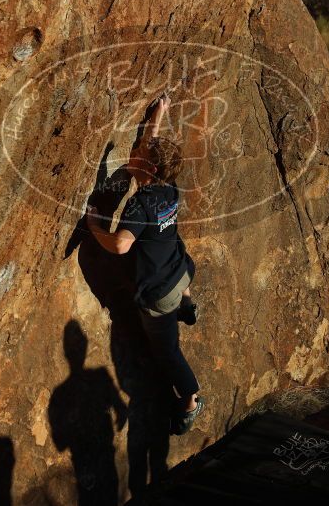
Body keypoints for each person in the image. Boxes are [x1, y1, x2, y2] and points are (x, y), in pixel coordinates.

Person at [86, 94, 204, 435]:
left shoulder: (140, 206)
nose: (132, 155)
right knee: (173, 249)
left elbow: (121, 245)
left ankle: (190, 402)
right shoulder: (170, 188)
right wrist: (159, 114)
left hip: (159, 294)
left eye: (136, 155)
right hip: (182, 271)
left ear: (149, 169)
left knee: (166, 352)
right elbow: (151, 145)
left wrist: (95, 227)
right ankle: (187, 303)